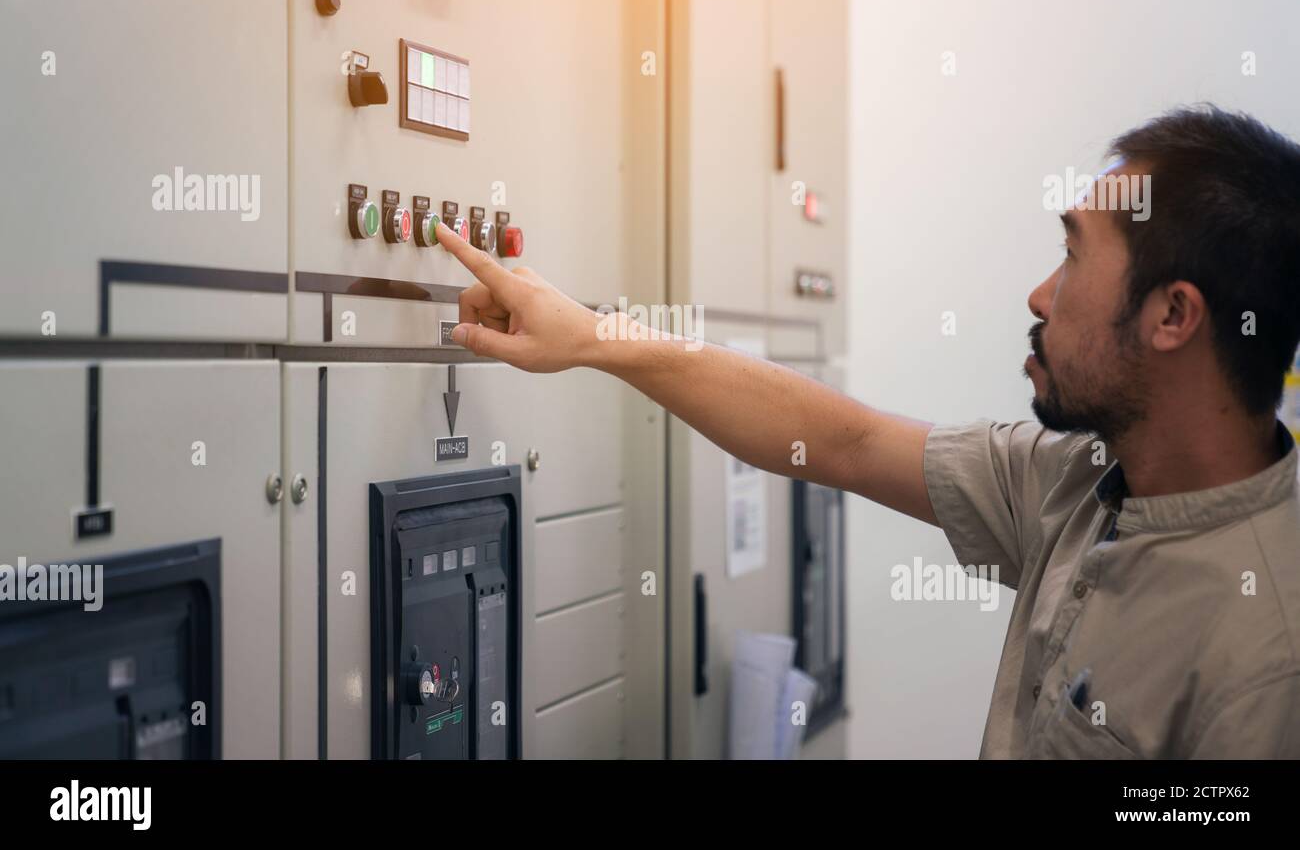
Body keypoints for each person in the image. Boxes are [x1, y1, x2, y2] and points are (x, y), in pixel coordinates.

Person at [433, 104, 1300, 758]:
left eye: (1072, 254)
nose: (1041, 294)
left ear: (1173, 316)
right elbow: (838, 440)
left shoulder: (1267, 653)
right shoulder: (1077, 483)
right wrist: (592, 335)